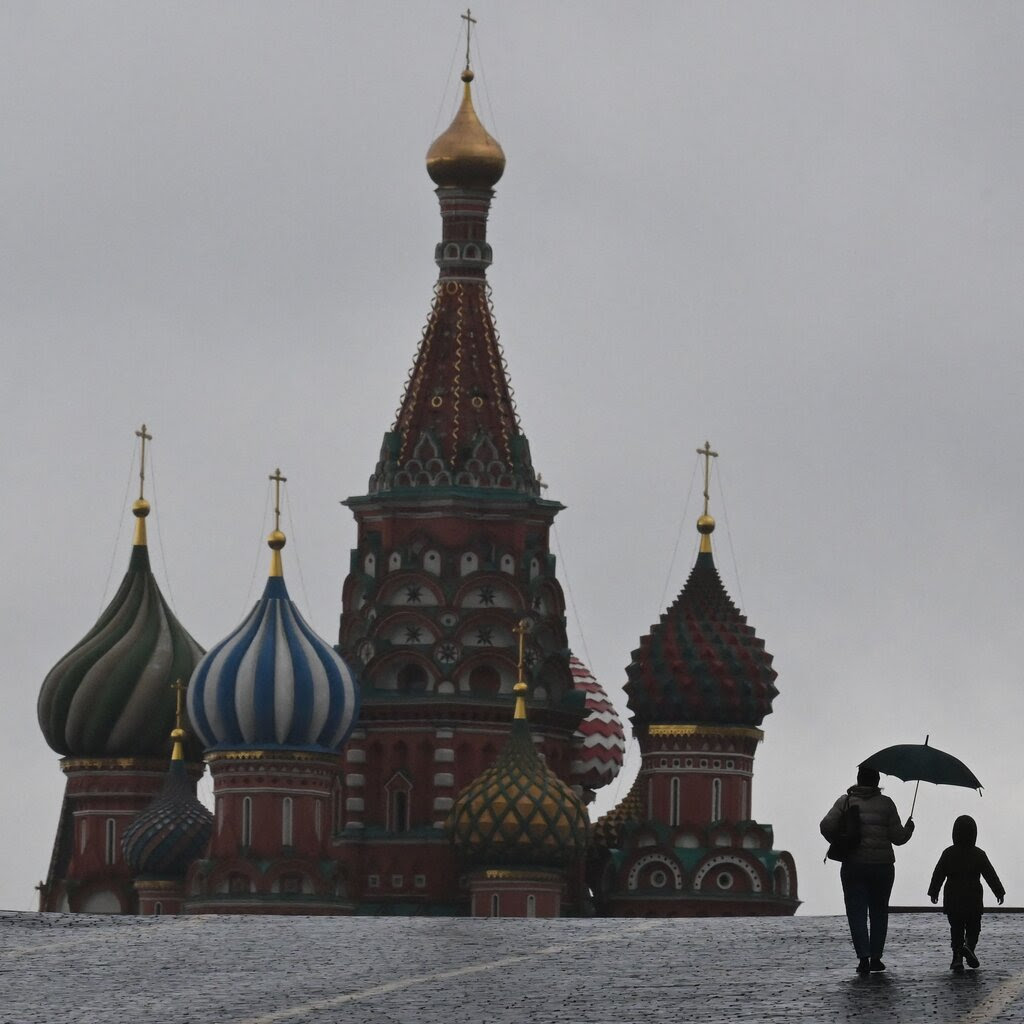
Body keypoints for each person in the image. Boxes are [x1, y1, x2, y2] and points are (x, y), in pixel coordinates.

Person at [820, 765, 915, 974]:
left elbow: (826, 826)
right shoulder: (886, 804)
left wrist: (841, 840)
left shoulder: (845, 801)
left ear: (858, 779)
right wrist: (909, 828)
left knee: (857, 912)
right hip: (882, 867)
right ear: (877, 781)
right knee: (879, 912)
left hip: (853, 865)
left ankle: (863, 958)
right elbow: (898, 838)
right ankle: (876, 958)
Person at [927, 814, 1005, 972]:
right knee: (974, 928)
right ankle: (969, 946)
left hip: (953, 898)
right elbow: (990, 874)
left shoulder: (948, 853)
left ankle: (957, 957)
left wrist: (933, 891)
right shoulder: (979, 854)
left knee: (956, 929)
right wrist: (999, 891)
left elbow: (938, 874)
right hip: (973, 899)